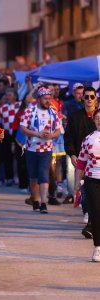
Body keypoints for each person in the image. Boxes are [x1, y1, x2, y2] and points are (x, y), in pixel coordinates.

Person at [20, 87, 61, 213]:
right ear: (38, 99)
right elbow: (23, 128)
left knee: (44, 175)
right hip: (31, 148)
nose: (48, 101)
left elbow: (58, 130)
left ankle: (44, 203)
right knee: (33, 177)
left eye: (49, 98)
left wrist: (51, 136)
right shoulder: (29, 111)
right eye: (45, 98)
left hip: (47, 149)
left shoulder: (53, 112)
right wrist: (37, 134)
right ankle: (36, 200)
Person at [64, 86, 97, 237]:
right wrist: (71, 154)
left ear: (96, 99)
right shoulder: (75, 116)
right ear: (82, 98)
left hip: (96, 163)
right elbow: (69, 137)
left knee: (93, 193)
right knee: (81, 188)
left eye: (92, 96)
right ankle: (89, 216)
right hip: (80, 159)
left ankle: (91, 222)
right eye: (86, 97)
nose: (89, 99)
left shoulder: (98, 116)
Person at [75, 108, 100, 262]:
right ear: (94, 120)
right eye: (97, 117)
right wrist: (77, 183)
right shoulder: (88, 138)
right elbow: (81, 163)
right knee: (96, 213)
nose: (99, 120)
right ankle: (97, 247)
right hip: (92, 180)